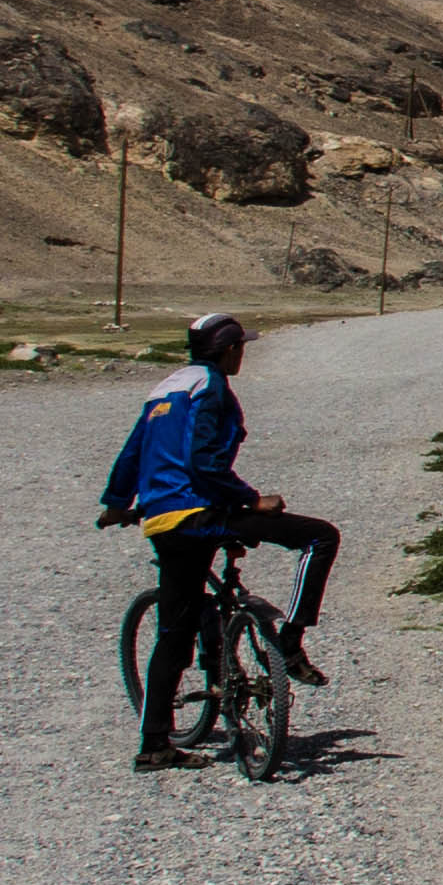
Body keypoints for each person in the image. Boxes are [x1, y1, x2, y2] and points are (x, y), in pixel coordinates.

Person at [99, 307, 340, 768]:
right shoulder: (212, 388)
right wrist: (250, 500)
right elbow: (203, 461)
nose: (241, 356)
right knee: (320, 538)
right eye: (240, 348)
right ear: (229, 351)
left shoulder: (164, 388)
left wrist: (116, 503)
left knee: (173, 631)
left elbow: (134, 450)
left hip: (162, 523)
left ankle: (154, 746)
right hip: (202, 513)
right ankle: (288, 641)